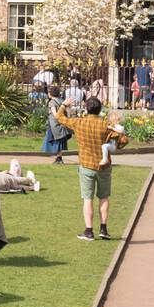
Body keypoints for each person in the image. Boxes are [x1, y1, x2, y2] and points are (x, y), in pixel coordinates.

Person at [50, 97, 128, 241]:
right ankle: (103, 229)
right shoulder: (106, 125)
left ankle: (89, 231)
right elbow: (123, 140)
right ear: (100, 109)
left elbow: (60, 118)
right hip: (103, 166)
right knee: (104, 197)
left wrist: (64, 105)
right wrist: (117, 140)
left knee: (88, 199)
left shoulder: (79, 122)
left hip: (86, 165)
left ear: (86, 108)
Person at [42, 85, 71, 164]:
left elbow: (55, 114)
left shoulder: (52, 102)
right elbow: (68, 112)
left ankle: (58, 158)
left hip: (54, 125)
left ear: (50, 94)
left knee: (56, 141)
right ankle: (59, 157)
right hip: (62, 123)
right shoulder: (62, 100)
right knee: (60, 141)